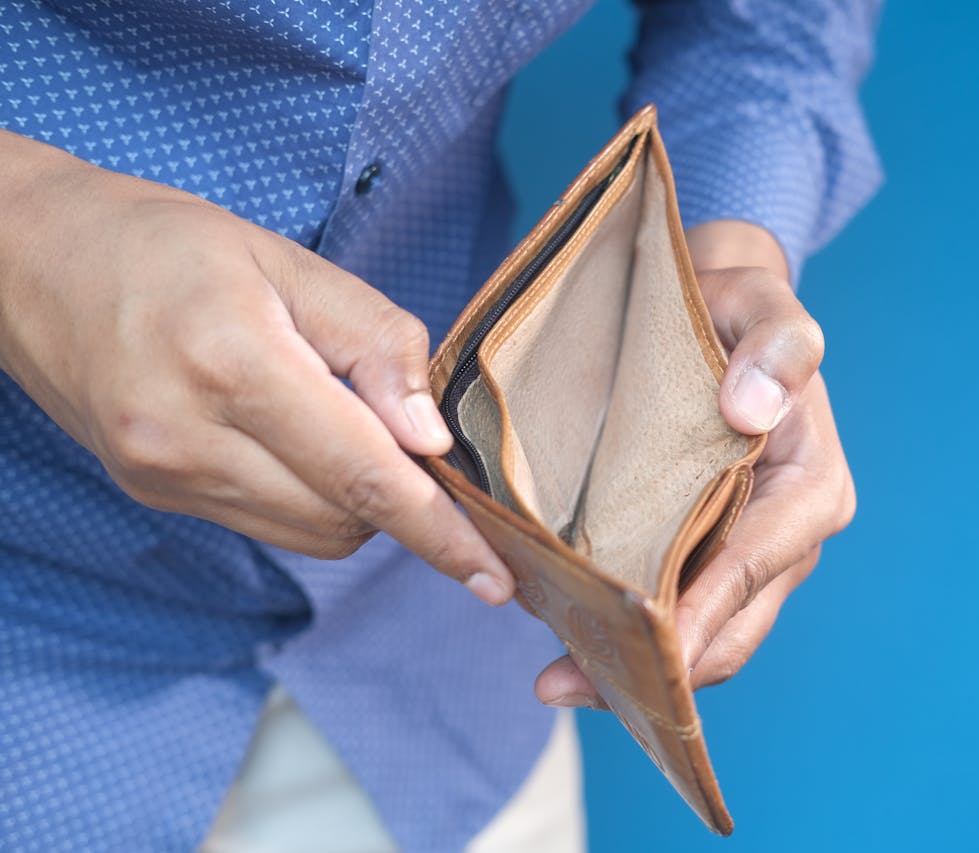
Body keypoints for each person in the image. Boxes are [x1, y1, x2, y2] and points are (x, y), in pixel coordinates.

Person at [0, 1, 882, 850]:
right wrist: (23, 227)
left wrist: (711, 297)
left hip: (447, 670)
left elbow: (771, 19)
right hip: (36, 661)